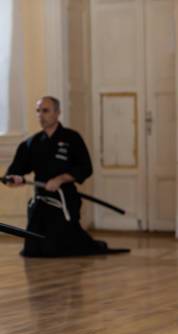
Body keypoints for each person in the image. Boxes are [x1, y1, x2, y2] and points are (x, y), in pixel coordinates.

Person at [4, 96, 128, 257]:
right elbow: (14, 172)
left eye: (46, 111)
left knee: (59, 249)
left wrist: (60, 179)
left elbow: (86, 168)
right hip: (41, 202)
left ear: (57, 113)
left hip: (65, 201)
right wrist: (13, 179)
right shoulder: (30, 144)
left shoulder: (72, 138)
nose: (41, 115)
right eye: (38, 111)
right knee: (32, 250)